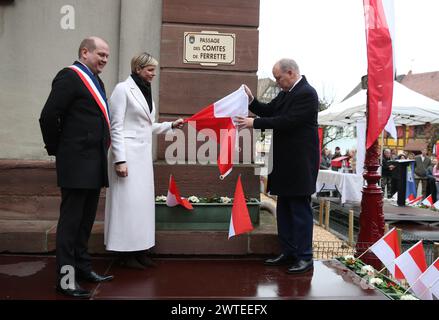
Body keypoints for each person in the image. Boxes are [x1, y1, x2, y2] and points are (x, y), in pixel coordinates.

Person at [39, 37, 114, 298]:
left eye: (107, 55)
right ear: (85, 52)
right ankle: (66, 279)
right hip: (76, 164)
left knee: (85, 223)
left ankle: (82, 269)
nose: (105, 59)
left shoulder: (96, 80)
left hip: (93, 164)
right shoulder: (69, 77)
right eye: (100, 54)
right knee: (70, 224)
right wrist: (58, 149)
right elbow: (48, 115)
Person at [236, 58, 318, 274]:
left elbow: (288, 121)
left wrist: (255, 123)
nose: (277, 83)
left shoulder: (307, 93)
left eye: (279, 78)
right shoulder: (286, 93)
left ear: (290, 73)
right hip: (283, 163)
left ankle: (305, 256)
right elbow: (269, 110)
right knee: (284, 209)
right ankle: (289, 251)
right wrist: (252, 101)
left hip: (300, 164)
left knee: (300, 211)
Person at [104, 52, 184, 269]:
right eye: (150, 70)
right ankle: (124, 253)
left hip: (141, 157)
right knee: (126, 205)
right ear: (138, 69)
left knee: (140, 206)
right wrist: (119, 160)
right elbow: (116, 126)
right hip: (127, 156)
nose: (153, 74)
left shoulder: (146, 91)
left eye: (154, 70)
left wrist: (170, 126)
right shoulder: (122, 89)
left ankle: (139, 250)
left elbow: (147, 126)